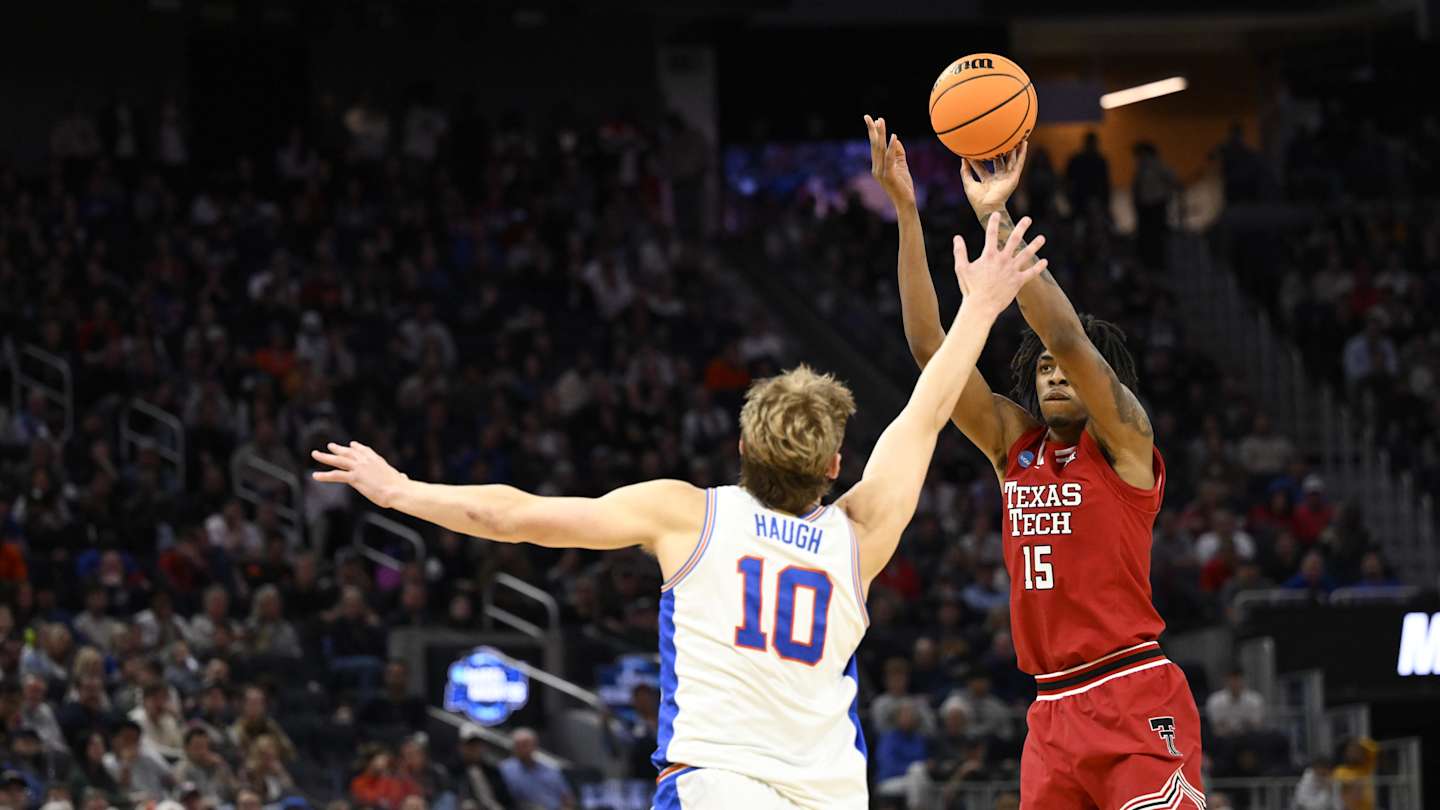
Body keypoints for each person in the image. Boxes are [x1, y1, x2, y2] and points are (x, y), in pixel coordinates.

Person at [311, 213, 1047, 810]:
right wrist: (981, 304)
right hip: (829, 794)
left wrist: (401, 490)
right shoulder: (860, 536)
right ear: (833, 467)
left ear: (742, 447)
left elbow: (514, 516)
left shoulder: (686, 515)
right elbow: (927, 410)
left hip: (716, 785)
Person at [869, 115, 1204, 809]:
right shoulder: (1012, 448)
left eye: (1065, 369)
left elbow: (1066, 335)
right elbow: (931, 348)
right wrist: (905, 211)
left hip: (1132, 688)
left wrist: (994, 217)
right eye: (1043, 368)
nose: (1055, 372)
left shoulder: (1126, 443)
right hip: (1050, 710)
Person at [496, 728, 574, 810]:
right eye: (517, 746)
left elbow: (566, 797)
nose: (522, 749)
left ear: (534, 745)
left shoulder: (551, 769)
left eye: (525, 745)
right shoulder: (505, 770)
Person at [1204, 669, 1266, 738]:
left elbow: (1257, 725)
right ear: (1226, 681)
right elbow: (1216, 727)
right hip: (1224, 738)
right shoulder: (1215, 700)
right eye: (1232, 680)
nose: (1235, 684)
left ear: (1243, 680)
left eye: (1237, 680)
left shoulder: (1255, 700)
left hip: (1249, 737)